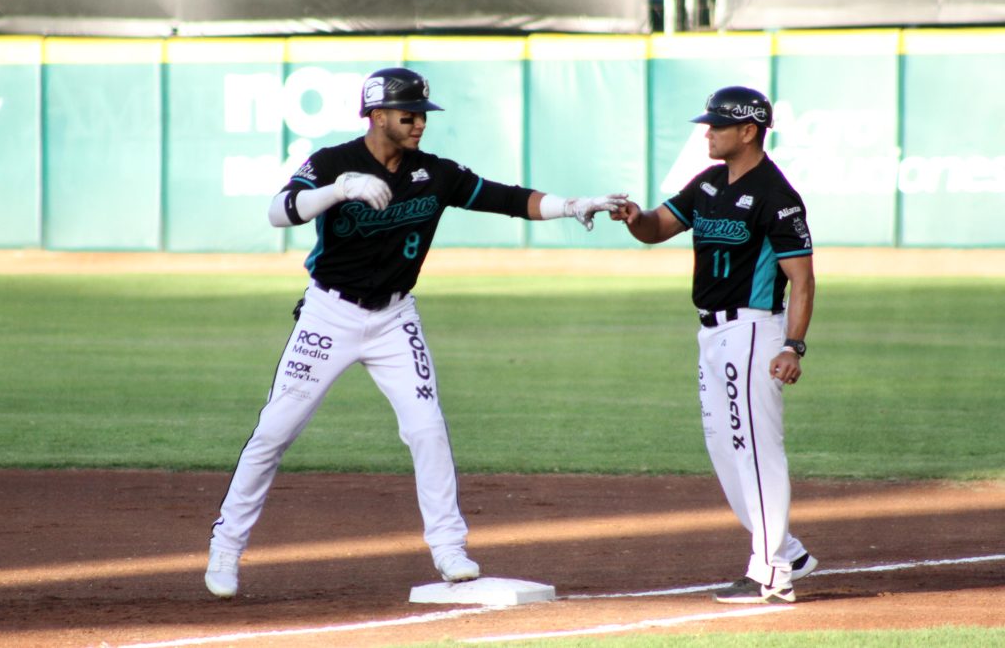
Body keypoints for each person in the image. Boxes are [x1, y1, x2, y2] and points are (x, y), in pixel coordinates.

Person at [204, 66, 627, 598]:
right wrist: (338, 190)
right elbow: (278, 213)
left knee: (427, 428)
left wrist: (572, 206)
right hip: (329, 314)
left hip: (394, 318)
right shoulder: (333, 162)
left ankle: (449, 548)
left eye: (423, 114)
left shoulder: (435, 173)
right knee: (274, 431)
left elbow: (507, 198)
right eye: (409, 115)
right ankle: (226, 548)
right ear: (377, 115)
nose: (420, 123)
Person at [611, 86, 818, 604]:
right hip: (711, 334)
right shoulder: (708, 183)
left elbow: (802, 279)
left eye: (717, 125)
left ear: (748, 131)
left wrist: (793, 346)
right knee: (725, 448)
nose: (707, 132)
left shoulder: (776, 196)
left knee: (755, 450)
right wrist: (635, 217)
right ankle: (788, 551)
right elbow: (658, 227)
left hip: (753, 332)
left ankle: (771, 572)